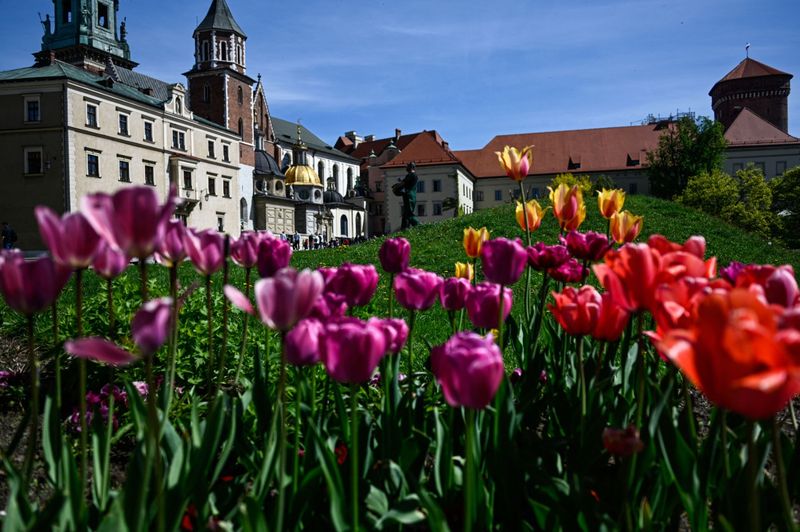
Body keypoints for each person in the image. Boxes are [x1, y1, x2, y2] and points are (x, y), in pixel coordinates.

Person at [396, 162, 420, 230]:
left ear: (411, 167)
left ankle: (419, 226)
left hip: (409, 196)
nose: (406, 168)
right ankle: (404, 229)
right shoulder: (410, 175)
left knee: (409, 214)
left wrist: (399, 184)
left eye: (407, 167)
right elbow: (404, 182)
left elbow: (404, 183)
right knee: (405, 214)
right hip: (409, 196)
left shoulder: (412, 175)